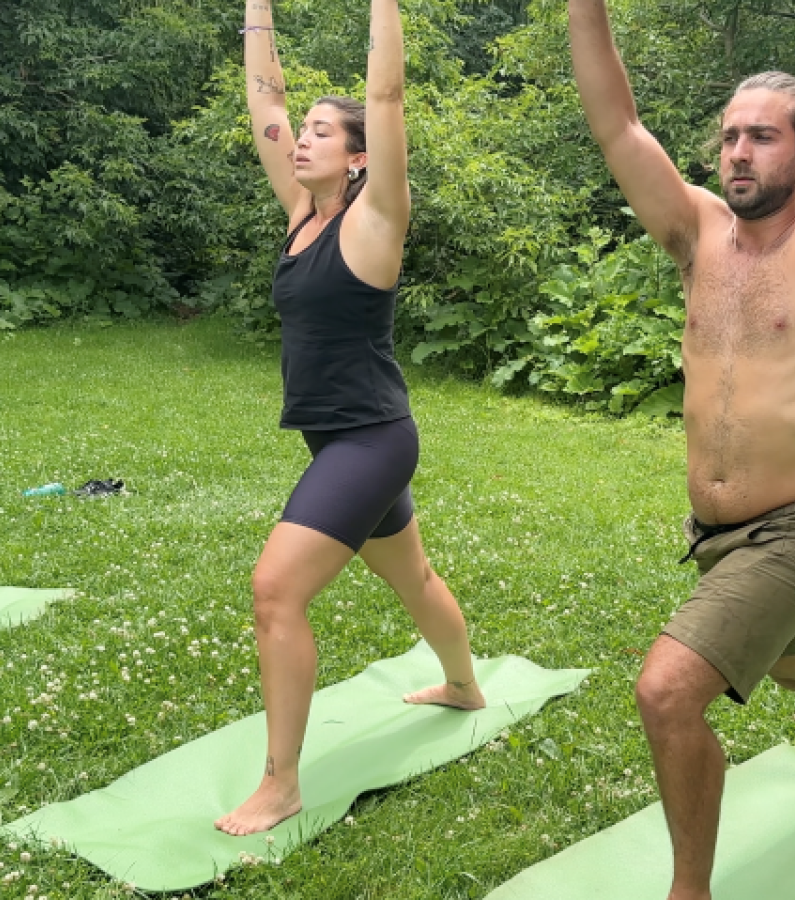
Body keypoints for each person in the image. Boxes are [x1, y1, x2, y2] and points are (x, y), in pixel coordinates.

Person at [568, 2, 795, 897]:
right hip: (718, 533)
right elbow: (615, 122)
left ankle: (692, 890)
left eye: (761, 137)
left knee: (668, 691)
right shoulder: (695, 233)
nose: (737, 154)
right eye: (728, 138)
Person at [214, 0, 485, 836]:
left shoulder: (375, 221)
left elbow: (391, 98)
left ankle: (281, 782)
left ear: (359, 157)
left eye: (323, 134)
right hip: (340, 437)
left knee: (274, 593)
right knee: (415, 579)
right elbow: (263, 101)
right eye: (306, 133)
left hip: (371, 441)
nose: (301, 140)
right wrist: (258, 8)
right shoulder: (301, 215)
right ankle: (464, 684)